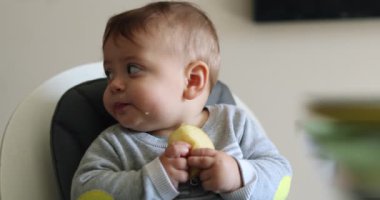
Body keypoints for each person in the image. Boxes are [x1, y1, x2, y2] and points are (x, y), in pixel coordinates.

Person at [71, 1, 292, 200]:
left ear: (192, 80)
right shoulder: (116, 143)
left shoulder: (234, 124)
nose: (114, 84)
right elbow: (84, 191)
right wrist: (154, 179)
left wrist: (238, 175)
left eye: (133, 69)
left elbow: (280, 175)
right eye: (109, 73)